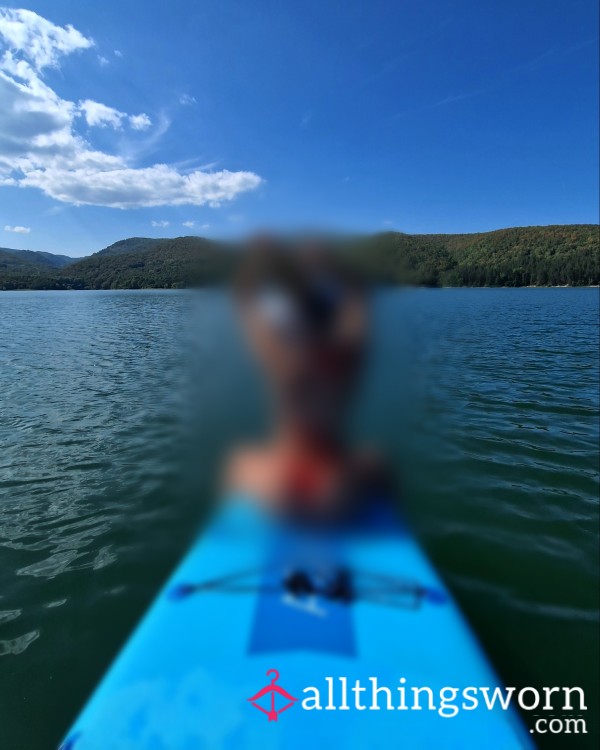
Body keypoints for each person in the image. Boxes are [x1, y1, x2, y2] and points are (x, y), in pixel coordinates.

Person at [224, 236, 390, 523]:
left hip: (286, 484)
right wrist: (336, 270)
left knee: (238, 464)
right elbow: (358, 314)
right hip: (334, 483)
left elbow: (246, 304)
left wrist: (259, 265)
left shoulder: (283, 360)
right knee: (377, 462)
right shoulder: (343, 359)